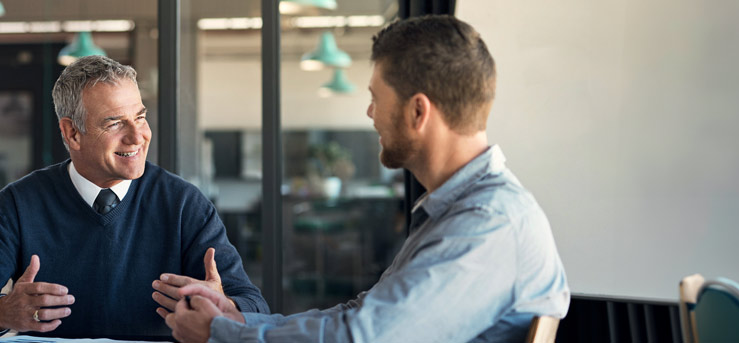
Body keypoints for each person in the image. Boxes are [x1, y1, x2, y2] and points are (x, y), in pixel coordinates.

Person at [163, 15, 570, 343]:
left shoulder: (487, 224)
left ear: (418, 112)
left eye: (377, 97)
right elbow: (362, 314)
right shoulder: (461, 211)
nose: (370, 113)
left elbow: (364, 337)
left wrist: (219, 335)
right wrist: (237, 321)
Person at [0, 55, 267, 340]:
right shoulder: (18, 204)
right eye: (115, 123)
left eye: (140, 116)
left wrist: (228, 308)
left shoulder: (184, 204)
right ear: (72, 133)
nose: (138, 136)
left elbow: (254, 305)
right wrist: (2, 311)